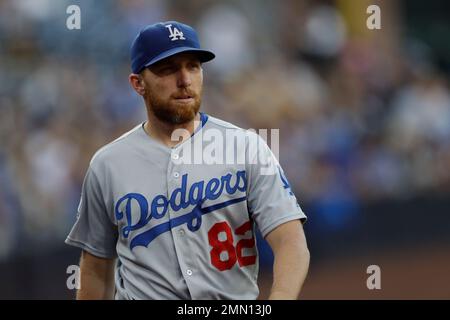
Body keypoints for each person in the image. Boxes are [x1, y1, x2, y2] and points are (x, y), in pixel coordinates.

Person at [65, 21, 310, 300]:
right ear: (138, 84)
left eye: (192, 66)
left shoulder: (245, 146)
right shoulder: (106, 166)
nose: (184, 80)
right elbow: (96, 269)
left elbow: (290, 240)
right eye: (168, 69)